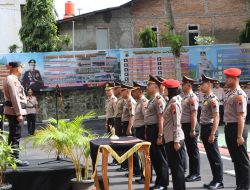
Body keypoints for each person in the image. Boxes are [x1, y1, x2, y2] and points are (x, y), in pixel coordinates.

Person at [223, 68, 250, 190]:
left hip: (237, 128)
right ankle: (239, 185)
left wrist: (239, 136)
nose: (226, 80)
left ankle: (245, 186)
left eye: (228, 78)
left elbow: (241, 116)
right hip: (229, 128)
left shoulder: (239, 95)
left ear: (234, 79)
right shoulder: (230, 93)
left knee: (242, 160)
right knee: (236, 159)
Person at [200, 74, 224, 189]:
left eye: (203, 84)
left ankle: (219, 181)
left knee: (215, 156)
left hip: (210, 128)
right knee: (210, 156)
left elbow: (216, 117)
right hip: (205, 128)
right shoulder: (206, 98)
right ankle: (215, 179)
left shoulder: (213, 99)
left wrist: (212, 133)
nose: (201, 86)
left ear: (209, 85)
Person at [145, 75, 169, 190]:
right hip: (151, 130)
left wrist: (160, 135)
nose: (147, 86)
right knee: (154, 157)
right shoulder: (152, 99)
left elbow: (161, 118)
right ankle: (158, 181)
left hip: (156, 130)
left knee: (160, 158)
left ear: (155, 87)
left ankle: (163, 183)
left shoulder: (159, 99)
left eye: (149, 84)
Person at [3, 61, 29, 166]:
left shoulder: (11, 79)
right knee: (15, 135)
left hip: (12, 110)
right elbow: (14, 97)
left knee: (13, 135)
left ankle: (11, 158)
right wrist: (18, 113)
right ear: (17, 69)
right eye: (21, 67)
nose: (22, 70)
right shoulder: (11, 79)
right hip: (14, 112)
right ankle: (15, 159)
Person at [162, 79, 186, 190]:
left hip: (174, 138)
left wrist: (176, 140)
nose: (164, 90)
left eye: (166, 88)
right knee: (175, 167)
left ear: (170, 89)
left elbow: (177, 122)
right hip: (169, 138)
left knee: (177, 168)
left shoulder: (174, 103)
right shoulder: (170, 101)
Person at [181, 76, 201, 182]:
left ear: (188, 85)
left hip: (191, 126)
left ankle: (196, 174)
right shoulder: (185, 97)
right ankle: (192, 173)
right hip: (186, 126)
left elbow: (194, 114)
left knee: (193, 151)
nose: (181, 86)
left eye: (183, 84)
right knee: (189, 150)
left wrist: (193, 129)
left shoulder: (192, 97)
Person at [118, 83, 140, 176]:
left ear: (127, 91)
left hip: (129, 126)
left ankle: (136, 170)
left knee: (132, 149)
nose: (120, 92)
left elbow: (132, 116)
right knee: (129, 149)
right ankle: (132, 170)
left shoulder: (131, 101)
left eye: (122, 91)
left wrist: (129, 128)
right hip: (125, 124)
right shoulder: (127, 101)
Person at [131, 81, 149, 184]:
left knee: (144, 155)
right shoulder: (138, 102)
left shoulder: (144, 102)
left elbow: (146, 119)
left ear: (140, 91)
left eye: (134, 91)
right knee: (141, 155)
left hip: (143, 130)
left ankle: (146, 176)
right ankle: (143, 176)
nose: (133, 93)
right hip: (138, 130)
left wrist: (146, 132)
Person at [108, 81, 124, 167]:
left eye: (115, 89)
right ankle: (118, 160)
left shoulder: (119, 100)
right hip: (115, 121)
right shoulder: (118, 99)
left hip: (119, 122)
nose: (113, 90)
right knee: (115, 142)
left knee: (120, 142)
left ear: (119, 89)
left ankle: (120, 160)